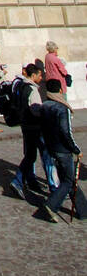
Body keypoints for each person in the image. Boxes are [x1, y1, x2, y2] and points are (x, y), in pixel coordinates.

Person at [38, 78, 83, 224]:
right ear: (60, 90)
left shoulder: (44, 106)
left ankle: (83, 210)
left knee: (67, 179)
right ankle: (51, 205)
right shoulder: (62, 109)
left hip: (51, 147)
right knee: (69, 180)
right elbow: (66, 132)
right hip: (63, 149)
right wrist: (75, 149)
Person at [9, 64, 55, 199]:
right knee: (40, 156)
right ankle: (18, 181)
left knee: (30, 155)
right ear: (33, 75)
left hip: (25, 126)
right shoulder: (32, 90)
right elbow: (36, 110)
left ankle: (29, 181)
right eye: (40, 75)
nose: (41, 78)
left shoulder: (21, 86)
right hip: (35, 127)